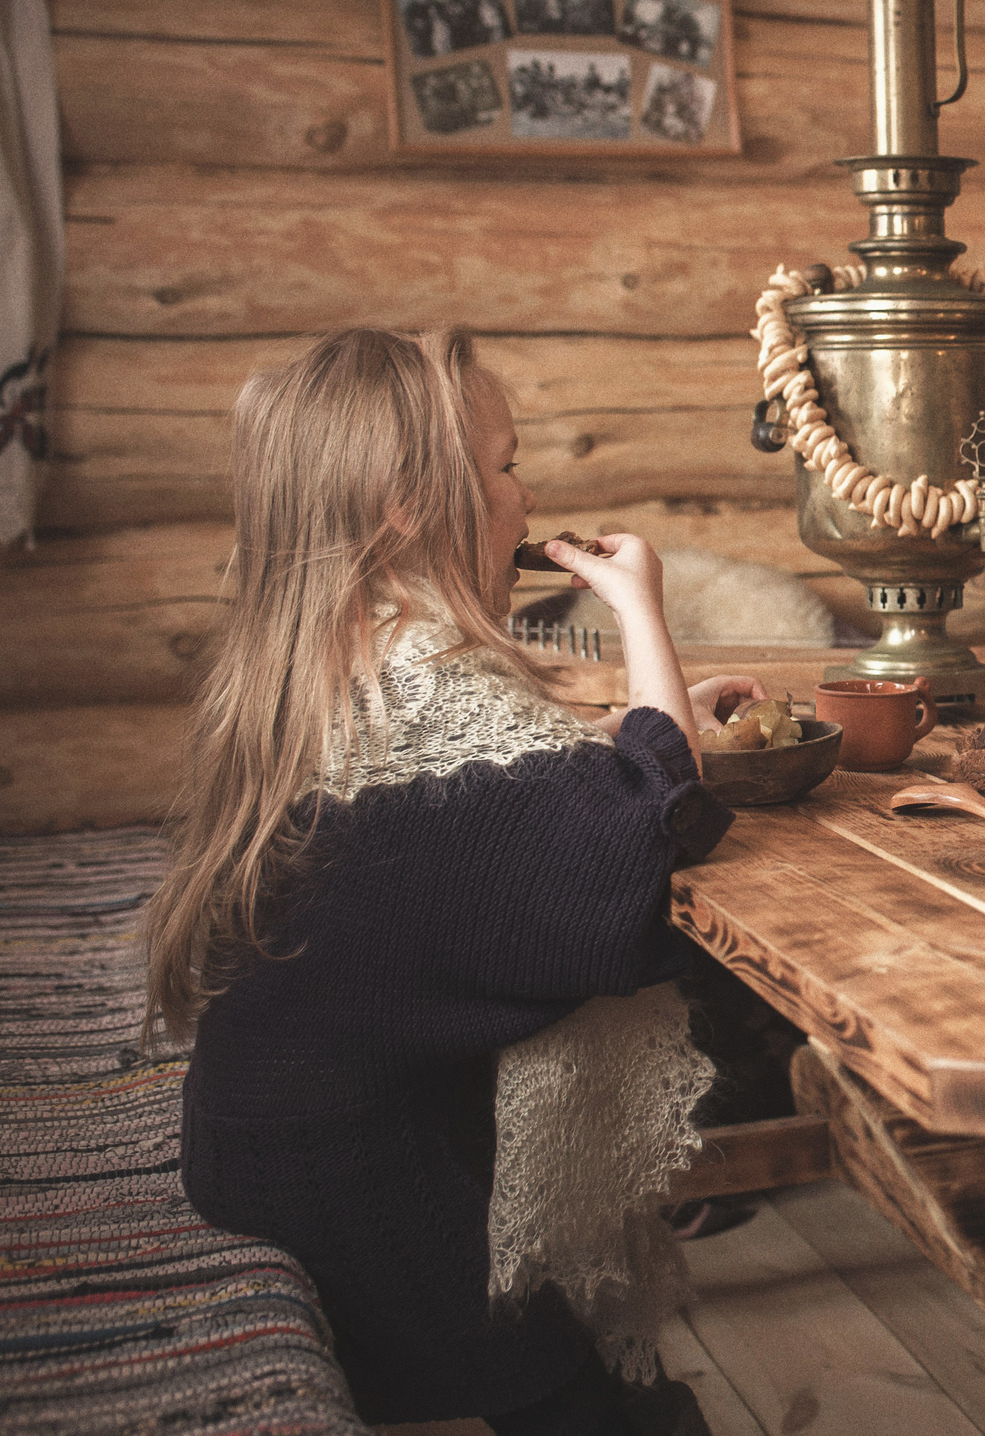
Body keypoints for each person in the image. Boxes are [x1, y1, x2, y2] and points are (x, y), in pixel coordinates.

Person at [143, 327, 763, 1434]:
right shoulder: (435, 688)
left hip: (261, 1135)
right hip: (351, 1184)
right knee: (616, 1418)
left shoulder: (347, 654)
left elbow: (518, 807)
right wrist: (640, 616)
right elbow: (640, 848)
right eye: (508, 463)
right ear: (405, 503)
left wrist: (643, 726)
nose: (527, 499)